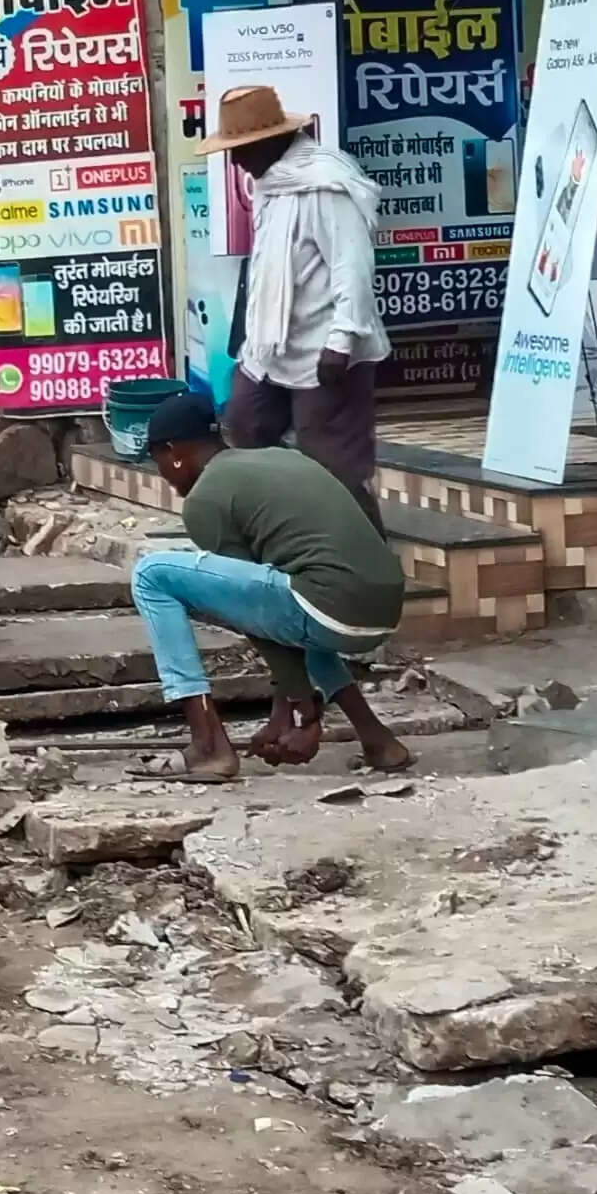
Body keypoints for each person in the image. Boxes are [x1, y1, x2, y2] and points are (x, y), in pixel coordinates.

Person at [130, 394, 415, 783]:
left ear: (173, 452)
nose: (162, 471)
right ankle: (378, 739)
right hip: (380, 608)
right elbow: (275, 602)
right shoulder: (282, 458)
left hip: (328, 606)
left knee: (152, 573)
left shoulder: (205, 500)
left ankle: (208, 746)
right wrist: (285, 712)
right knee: (296, 597)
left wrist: (302, 707)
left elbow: (258, 620)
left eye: (158, 460)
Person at [212, 82, 392, 518]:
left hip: (327, 348)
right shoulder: (274, 182)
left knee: (335, 471)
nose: (235, 161)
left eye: (241, 149)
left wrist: (342, 341)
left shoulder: (325, 182)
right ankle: (290, 531)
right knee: (246, 426)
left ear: (272, 140)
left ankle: (367, 562)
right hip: (272, 346)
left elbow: (352, 265)